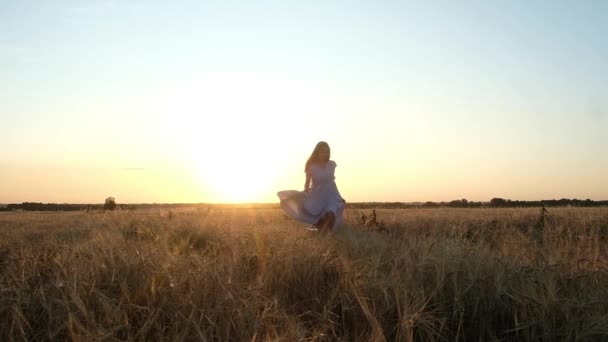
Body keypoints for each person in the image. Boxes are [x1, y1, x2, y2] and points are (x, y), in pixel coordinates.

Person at [277, 141, 345, 232]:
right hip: (317, 194)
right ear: (317, 152)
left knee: (331, 212)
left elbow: (331, 182)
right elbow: (307, 183)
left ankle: (325, 229)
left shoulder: (332, 164)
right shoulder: (311, 166)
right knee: (320, 214)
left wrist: (339, 197)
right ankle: (321, 228)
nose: (325, 153)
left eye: (327, 151)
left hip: (331, 193)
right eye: (322, 151)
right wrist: (303, 193)